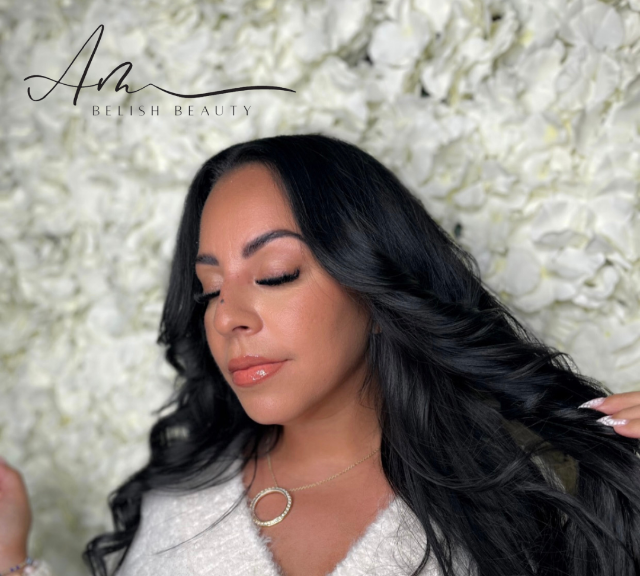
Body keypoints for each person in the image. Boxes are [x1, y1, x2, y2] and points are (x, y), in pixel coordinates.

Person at [1, 133, 640, 576]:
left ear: (377, 290)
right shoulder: (181, 495)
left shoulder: (513, 505)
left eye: (275, 274)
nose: (226, 316)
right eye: (209, 289)